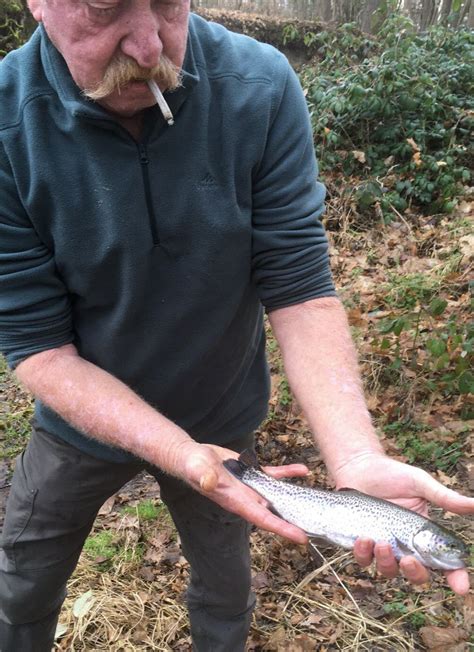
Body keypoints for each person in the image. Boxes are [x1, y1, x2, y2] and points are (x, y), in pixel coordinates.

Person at [0, 1, 472, 650]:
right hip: (80, 423)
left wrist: (356, 455)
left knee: (225, 587)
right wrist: (170, 449)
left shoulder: (261, 86)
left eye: (168, 4)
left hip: (219, 417)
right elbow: (37, 345)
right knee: (24, 576)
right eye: (106, 9)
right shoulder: (5, 123)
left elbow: (300, 287)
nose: (148, 49)